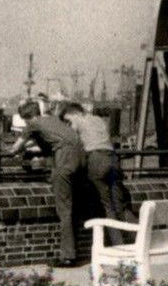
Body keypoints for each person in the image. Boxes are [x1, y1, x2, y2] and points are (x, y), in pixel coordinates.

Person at [11, 99, 86, 265]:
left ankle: (68, 257)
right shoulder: (52, 120)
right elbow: (53, 141)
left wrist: (19, 150)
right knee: (74, 206)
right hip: (81, 157)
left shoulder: (33, 124)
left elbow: (15, 148)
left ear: (26, 118)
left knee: (64, 209)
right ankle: (74, 250)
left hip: (65, 159)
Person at [62, 103, 135, 245]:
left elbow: (71, 140)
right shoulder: (98, 120)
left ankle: (118, 246)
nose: (68, 123)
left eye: (67, 120)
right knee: (120, 206)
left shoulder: (77, 120)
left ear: (75, 114)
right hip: (113, 160)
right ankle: (140, 239)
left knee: (107, 207)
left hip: (96, 159)